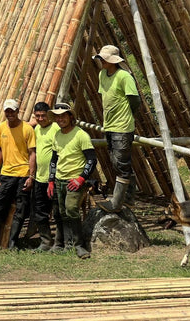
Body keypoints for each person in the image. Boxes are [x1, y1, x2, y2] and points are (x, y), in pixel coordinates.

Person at [0, 99, 35, 252]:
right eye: (7, 111)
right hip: (6, 173)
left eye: (13, 111)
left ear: (18, 111)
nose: (10, 114)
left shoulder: (27, 129)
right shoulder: (2, 128)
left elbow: (32, 153)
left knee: (21, 208)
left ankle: (12, 241)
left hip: (23, 174)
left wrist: (31, 176)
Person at [93, 44, 140, 212]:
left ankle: (118, 203)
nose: (101, 61)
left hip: (122, 126)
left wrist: (127, 114)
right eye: (101, 58)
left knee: (121, 163)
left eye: (104, 58)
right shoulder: (102, 74)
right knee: (118, 162)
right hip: (110, 125)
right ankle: (129, 198)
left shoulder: (124, 76)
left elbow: (135, 100)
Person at [47, 102, 97, 259]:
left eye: (63, 115)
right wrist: (50, 180)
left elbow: (92, 160)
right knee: (61, 213)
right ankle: (63, 244)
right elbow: (54, 160)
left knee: (71, 209)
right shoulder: (57, 135)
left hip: (74, 180)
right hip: (59, 180)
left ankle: (80, 245)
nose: (60, 118)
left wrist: (81, 179)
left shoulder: (81, 135)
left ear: (70, 116)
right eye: (57, 116)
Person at [31, 102, 61, 251]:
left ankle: (60, 242)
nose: (41, 118)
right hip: (39, 178)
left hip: (54, 178)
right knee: (40, 212)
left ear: (49, 115)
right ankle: (45, 241)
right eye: (38, 116)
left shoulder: (56, 128)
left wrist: (53, 177)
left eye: (43, 115)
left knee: (58, 211)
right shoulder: (36, 128)